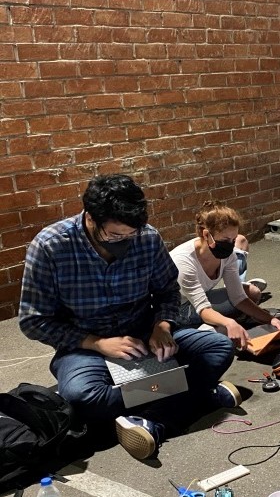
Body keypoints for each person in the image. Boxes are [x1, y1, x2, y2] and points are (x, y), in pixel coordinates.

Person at [18, 174, 241, 460]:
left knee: (219, 347)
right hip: (85, 346)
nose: (123, 242)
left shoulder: (147, 238)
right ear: (90, 217)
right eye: (114, 235)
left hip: (144, 334)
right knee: (79, 396)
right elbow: (33, 320)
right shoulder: (51, 246)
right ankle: (198, 397)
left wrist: (162, 327)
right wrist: (97, 343)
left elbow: (167, 292)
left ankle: (152, 420)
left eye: (129, 235)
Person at [170, 201, 280, 352]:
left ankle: (230, 326)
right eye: (225, 240)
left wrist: (270, 319)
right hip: (177, 311)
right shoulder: (183, 261)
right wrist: (228, 323)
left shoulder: (227, 254)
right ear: (206, 234)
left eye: (233, 239)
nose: (230, 245)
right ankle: (199, 334)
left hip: (200, 298)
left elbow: (238, 298)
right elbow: (203, 309)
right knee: (222, 332)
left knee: (252, 293)